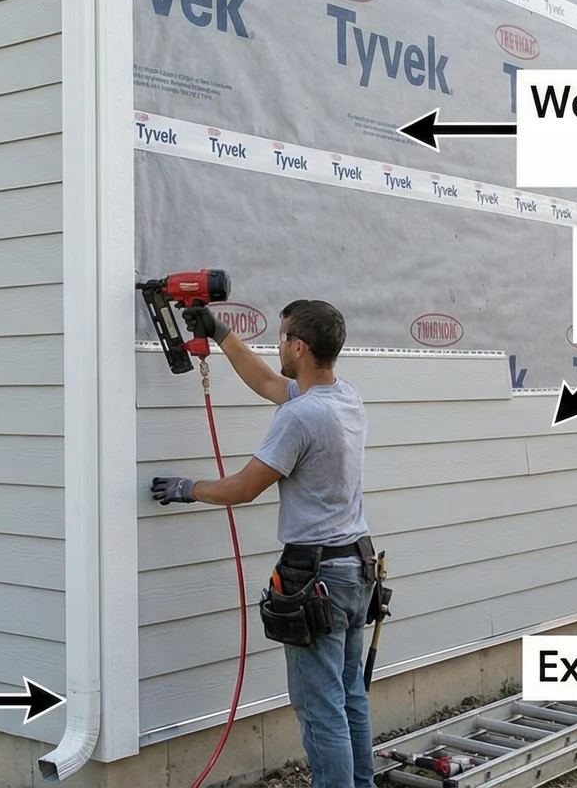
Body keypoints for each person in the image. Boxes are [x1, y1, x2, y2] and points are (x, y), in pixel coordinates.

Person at [149, 299, 376, 788]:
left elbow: (244, 488)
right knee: (349, 692)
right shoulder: (344, 397)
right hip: (356, 568)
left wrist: (188, 489)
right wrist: (219, 332)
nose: (277, 346)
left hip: (318, 578)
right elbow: (268, 383)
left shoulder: (300, 418)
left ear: (299, 346)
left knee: (321, 708)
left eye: (282, 338)